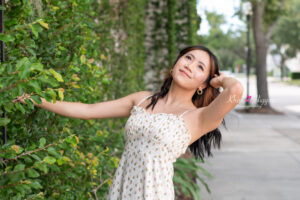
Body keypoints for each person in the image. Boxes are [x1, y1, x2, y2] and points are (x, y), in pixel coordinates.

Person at [13, 45, 243, 200]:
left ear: (204, 83)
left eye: (200, 67)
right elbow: (87, 110)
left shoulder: (199, 117)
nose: (190, 66)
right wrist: (36, 99)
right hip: (122, 190)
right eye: (188, 58)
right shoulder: (142, 99)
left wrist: (221, 80)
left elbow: (236, 90)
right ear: (175, 64)